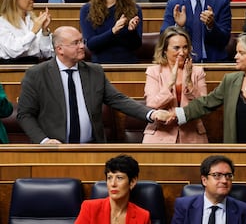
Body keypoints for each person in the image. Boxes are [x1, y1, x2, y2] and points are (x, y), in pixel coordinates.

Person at [16, 26, 168, 144]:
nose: (82, 46)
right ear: (59, 49)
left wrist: (151, 114)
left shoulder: (94, 71)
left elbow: (118, 99)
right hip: (54, 149)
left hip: (92, 147)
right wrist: (44, 141)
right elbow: (25, 114)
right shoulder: (37, 74)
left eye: (82, 41)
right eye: (75, 43)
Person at [161, 33, 246, 143]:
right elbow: (206, 103)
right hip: (234, 153)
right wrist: (177, 114)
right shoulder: (230, 81)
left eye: (241, 53)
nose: (235, 56)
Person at [143, 27, 208, 143]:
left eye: (185, 47)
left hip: (192, 134)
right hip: (159, 134)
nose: (182, 53)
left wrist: (189, 84)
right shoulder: (153, 72)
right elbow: (151, 104)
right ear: (164, 50)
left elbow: (204, 105)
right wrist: (169, 83)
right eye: (176, 48)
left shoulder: (197, 72)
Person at [80, 0, 143, 64]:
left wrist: (132, 31)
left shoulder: (134, 9)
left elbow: (136, 45)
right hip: (101, 65)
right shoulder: (87, 10)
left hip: (128, 65)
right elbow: (91, 44)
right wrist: (113, 31)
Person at [171, 155, 246, 223]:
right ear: (204, 180)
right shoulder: (184, 206)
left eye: (228, 176)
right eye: (217, 175)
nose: (224, 181)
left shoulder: (245, 211)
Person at [75, 154, 151, 224]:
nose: (113, 184)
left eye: (119, 178)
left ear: (132, 182)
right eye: (109, 178)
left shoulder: (143, 216)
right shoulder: (90, 208)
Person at [0, 0, 54, 64]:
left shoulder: (34, 20)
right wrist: (33, 32)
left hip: (37, 66)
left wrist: (44, 32)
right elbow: (14, 51)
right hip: (12, 69)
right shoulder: (2, 23)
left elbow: (48, 53)